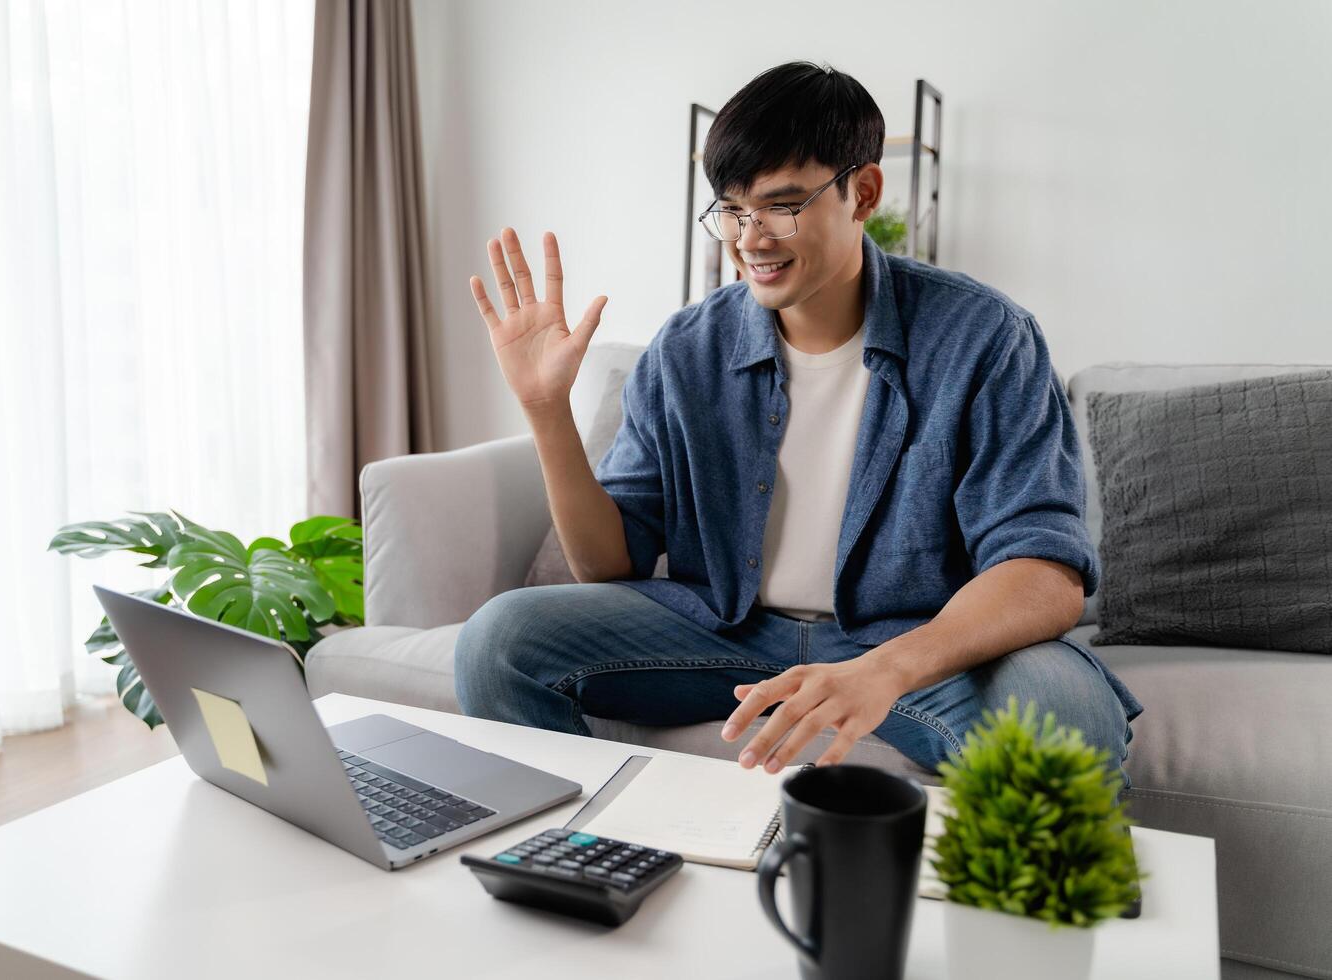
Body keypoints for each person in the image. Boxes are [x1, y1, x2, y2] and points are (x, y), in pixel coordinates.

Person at [454, 61, 1142, 782]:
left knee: (1065, 718)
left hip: (906, 642)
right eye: (733, 209)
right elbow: (607, 563)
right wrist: (545, 412)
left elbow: (1045, 573)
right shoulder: (688, 347)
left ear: (863, 193)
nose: (751, 238)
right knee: (498, 641)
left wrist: (886, 671)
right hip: (725, 632)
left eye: (782, 205)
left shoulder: (986, 337)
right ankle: (585, 856)